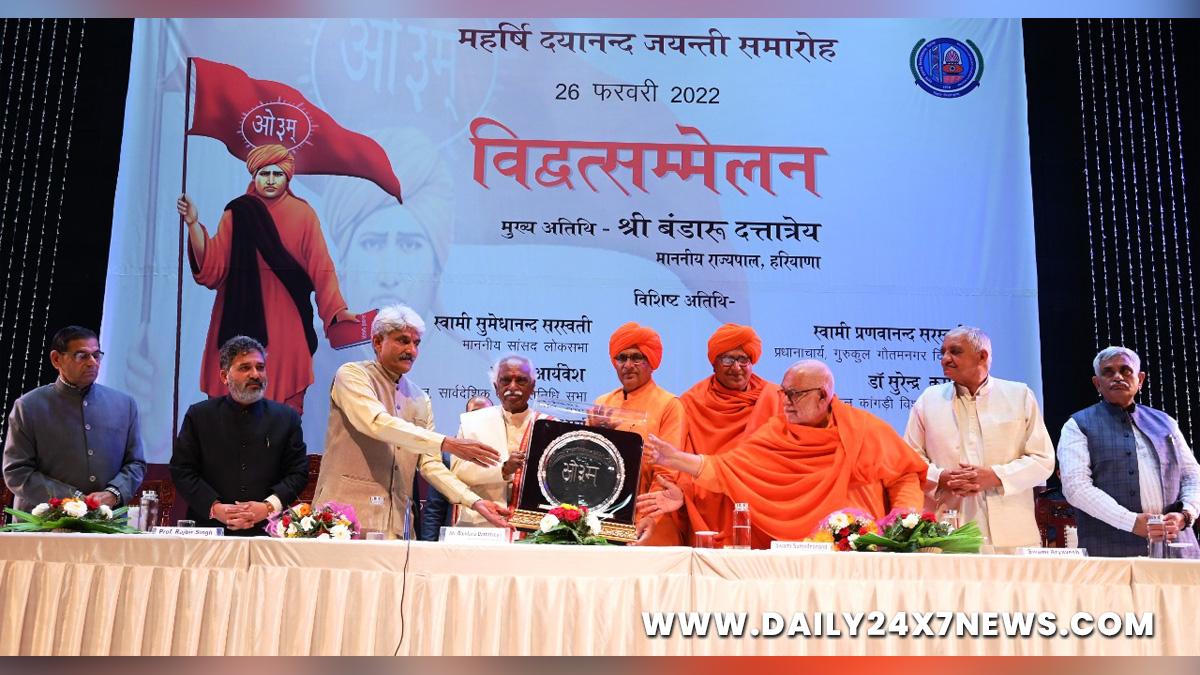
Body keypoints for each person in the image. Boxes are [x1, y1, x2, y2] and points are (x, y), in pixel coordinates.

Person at [640, 360, 926, 548]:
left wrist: (904, 522)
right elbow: (726, 470)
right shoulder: (775, 433)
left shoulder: (864, 429)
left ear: (823, 395)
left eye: (795, 394)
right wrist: (674, 460)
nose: (786, 402)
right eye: (784, 393)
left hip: (856, 552)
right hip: (791, 555)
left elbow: (903, 475)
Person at [176, 144, 356, 413]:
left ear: (287, 177)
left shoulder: (303, 214)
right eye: (264, 173)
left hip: (285, 322)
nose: (270, 180)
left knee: (282, 407)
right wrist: (192, 224)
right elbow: (213, 267)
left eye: (277, 174)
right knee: (230, 404)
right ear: (254, 176)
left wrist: (336, 311)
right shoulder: (237, 212)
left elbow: (322, 268)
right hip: (236, 316)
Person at [313, 304, 506, 538]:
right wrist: (447, 443)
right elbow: (377, 423)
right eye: (403, 341)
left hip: (397, 524)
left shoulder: (419, 398)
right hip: (343, 520)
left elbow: (430, 464)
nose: (411, 350)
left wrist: (474, 501)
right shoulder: (353, 375)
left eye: (416, 343)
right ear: (377, 342)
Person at [903, 326, 1055, 547]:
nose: (945, 359)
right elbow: (909, 459)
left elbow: (1042, 460)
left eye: (955, 351)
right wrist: (941, 477)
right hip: (947, 527)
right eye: (942, 352)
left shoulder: (1019, 395)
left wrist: (995, 476)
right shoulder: (929, 400)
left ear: (982, 356)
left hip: (1012, 532)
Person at [1057, 346, 1199, 557]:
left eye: (1126, 370)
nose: (1118, 377)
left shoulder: (1166, 422)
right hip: (1111, 550)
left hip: (1177, 545)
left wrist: (1185, 514)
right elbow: (1076, 487)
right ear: (1097, 383)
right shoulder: (1077, 425)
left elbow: (1192, 475)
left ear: (1140, 379)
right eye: (1108, 372)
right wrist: (1130, 522)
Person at [169, 336, 309, 535]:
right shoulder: (200, 416)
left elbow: (298, 473)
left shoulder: (286, 418)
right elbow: (182, 470)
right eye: (245, 368)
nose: (255, 374)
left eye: (260, 367)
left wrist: (268, 507)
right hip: (209, 530)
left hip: (269, 530)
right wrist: (215, 508)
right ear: (224, 376)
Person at [3, 326, 145, 511]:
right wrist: (72, 498)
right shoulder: (29, 406)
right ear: (56, 359)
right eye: (82, 356)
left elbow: (135, 463)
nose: (92, 362)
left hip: (106, 520)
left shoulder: (124, 405)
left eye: (96, 355)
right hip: (44, 520)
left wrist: (113, 493)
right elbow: (17, 471)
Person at [675, 323, 781, 546]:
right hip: (708, 498)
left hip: (760, 500)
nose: (737, 367)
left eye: (743, 360)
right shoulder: (691, 402)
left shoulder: (775, 396)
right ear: (714, 363)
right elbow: (681, 458)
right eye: (728, 360)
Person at [591, 321, 687, 544]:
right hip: (603, 518)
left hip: (652, 520)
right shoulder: (602, 404)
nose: (628, 365)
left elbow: (667, 470)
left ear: (651, 362)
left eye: (637, 358)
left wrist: (649, 516)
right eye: (622, 358)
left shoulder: (669, 404)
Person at [452, 355, 546, 527]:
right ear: (496, 387)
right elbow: (458, 472)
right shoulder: (473, 422)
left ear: (533, 386)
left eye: (521, 380)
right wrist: (503, 469)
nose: (513, 387)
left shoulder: (547, 425)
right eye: (506, 380)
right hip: (481, 524)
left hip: (532, 526)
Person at [419, 395, 492, 541]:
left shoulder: (502, 454)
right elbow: (435, 509)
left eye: (486, 414)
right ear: (464, 417)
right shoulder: (447, 456)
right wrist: (428, 546)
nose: (480, 418)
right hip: (455, 537)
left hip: (494, 536)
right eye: (475, 413)